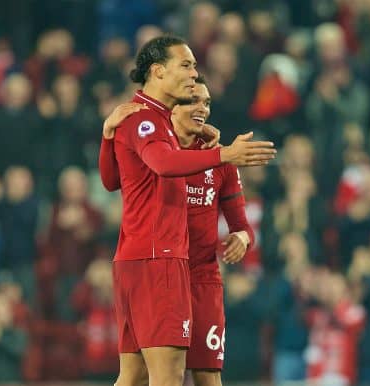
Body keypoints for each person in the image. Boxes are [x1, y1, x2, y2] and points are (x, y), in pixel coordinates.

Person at [99, 35, 275, 386]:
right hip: (160, 260)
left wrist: (108, 135)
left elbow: (111, 179)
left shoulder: (159, 124)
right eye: (187, 65)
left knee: (133, 375)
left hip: (160, 264)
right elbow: (163, 163)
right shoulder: (147, 120)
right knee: (168, 377)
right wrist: (224, 154)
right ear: (159, 71)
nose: (194, 74)